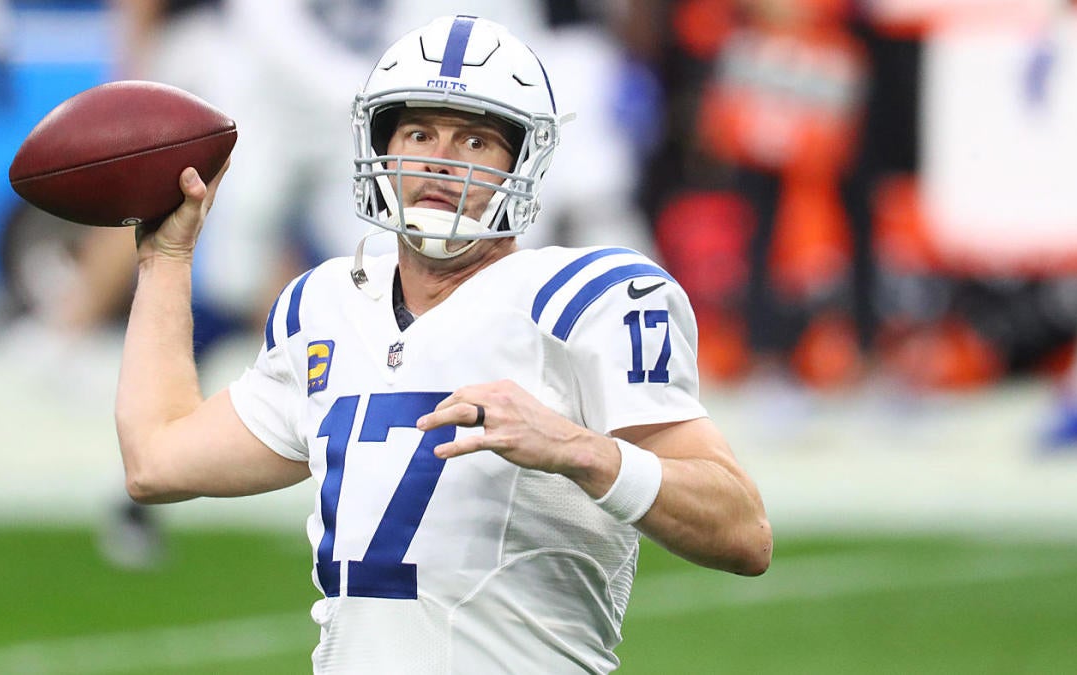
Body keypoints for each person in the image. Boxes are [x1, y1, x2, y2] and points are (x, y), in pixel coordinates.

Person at [115, 15, 772, 672]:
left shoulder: (584, 299)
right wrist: (166, 259)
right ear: (381, 145)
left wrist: (581, 450)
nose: (439, 159)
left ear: (523, 160)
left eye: (476, 140)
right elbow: (156, 458)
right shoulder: (326, 304)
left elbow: (743, 530)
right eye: (419, 132)